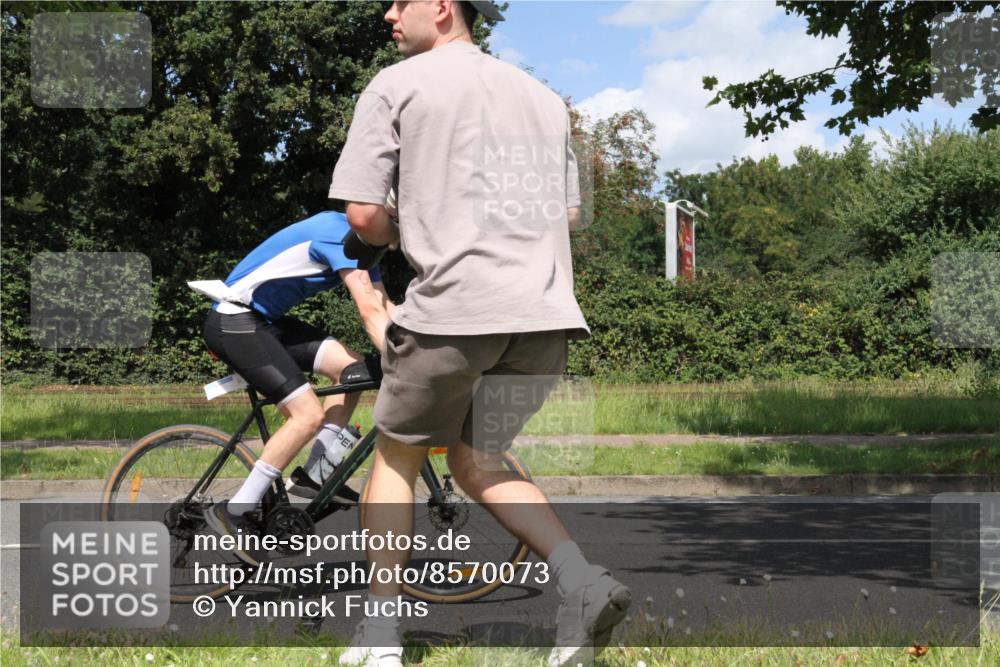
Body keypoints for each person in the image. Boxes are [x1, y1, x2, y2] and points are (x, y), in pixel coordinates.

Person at [328, 2, 631, 667]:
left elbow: (364, 214)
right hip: (543, 317)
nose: (387, 14)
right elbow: (570, 214)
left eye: (399, 2)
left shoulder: (397, 83)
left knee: (397, 457)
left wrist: (406, 220)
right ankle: (582, 582)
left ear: (440, 7)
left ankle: (380, 635)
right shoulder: (545, 100)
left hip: (455, 313)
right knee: (478, 461)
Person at [199, 209, 395, 566]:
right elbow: (369, 313)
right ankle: (235, 510)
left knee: (354, 371)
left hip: (264, 320)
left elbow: (385, 310)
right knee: (307, 415)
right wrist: (406, 366)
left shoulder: (367, 248)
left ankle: (316, 474)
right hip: (234, 320)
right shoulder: (339, 234)